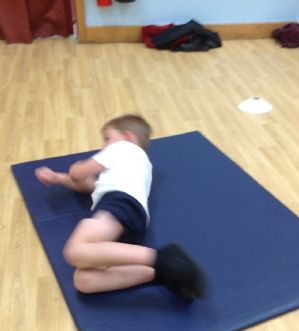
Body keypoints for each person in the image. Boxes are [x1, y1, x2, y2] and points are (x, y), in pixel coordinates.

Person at [35, 114, 207, 300]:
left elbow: (77, 174)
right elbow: (92, 187)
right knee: (83, 280)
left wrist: (75, 168)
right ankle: (162, 273)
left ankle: (164, 258)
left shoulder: (122, 147)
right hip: (133, 218)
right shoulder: (136, 166)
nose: (104, 146)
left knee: (75, 251)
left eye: (107, 138)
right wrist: (58, 178)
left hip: (117, 204)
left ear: (127, 136)